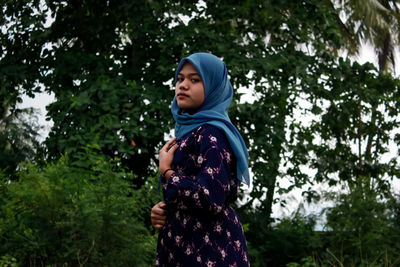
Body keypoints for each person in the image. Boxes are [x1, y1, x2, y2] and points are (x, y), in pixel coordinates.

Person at [151, 52, 250, 266]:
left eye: (194, 80)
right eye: (180, 78)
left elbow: (210, 198)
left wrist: (167, 172)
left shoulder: (212, 134)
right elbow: (190, 193)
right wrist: (165, 210)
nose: (183, 85)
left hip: (211, 253)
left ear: (214, 87)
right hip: (184, 249)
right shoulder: (189, 133)